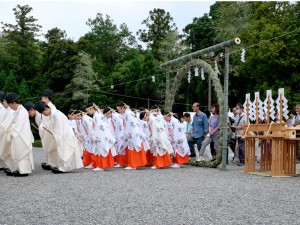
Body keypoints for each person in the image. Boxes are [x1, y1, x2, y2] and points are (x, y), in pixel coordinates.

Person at [34, 100, 83, 173]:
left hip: (64, 135)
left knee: (65, 151)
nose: (43, 115)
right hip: (60, 135)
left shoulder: (56, 115)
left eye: (43, 113)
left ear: (46, 109)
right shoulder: (51, 114)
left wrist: (56, 136)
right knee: (62, 151)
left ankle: (65, 167)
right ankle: (63, 166)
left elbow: (59, 129)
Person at [2, 93, 34, 177]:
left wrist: (11, 131)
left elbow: (19, 126)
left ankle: (24, 170)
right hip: (18, 136)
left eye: (10, 105)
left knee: (22, 153)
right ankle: (19, 169)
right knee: (17, 152)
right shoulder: (17, 111)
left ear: (13, 103)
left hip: (22, 137)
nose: (10, 108)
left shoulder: (22, 111)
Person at [85, 103, 116, 171]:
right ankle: (100, 165)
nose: (88, 112)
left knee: (101, 149)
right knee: (99, 150)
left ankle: (101, 166)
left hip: (101, 135)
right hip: (100, 134)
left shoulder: (97, 115)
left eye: (88, 110)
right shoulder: (97, 115)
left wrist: (96, 136)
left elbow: (100, 128)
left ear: (91, 109)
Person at [117, 102, 147, 170]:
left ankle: (133, 164)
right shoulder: (128, 113)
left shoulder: (129, 114)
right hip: (132, 132)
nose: (118, 111)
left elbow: (131, 125)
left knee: (133, 149)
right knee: (131, 149)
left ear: (122, 108)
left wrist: (128, 132)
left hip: (132, 133)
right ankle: (132, 163)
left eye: (119, 109)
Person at [0, 91, 7, 169]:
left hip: (2, 130)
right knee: (3, 147)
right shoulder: (5, 109)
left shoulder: (3, 109)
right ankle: (2, 164)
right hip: (3, 131)